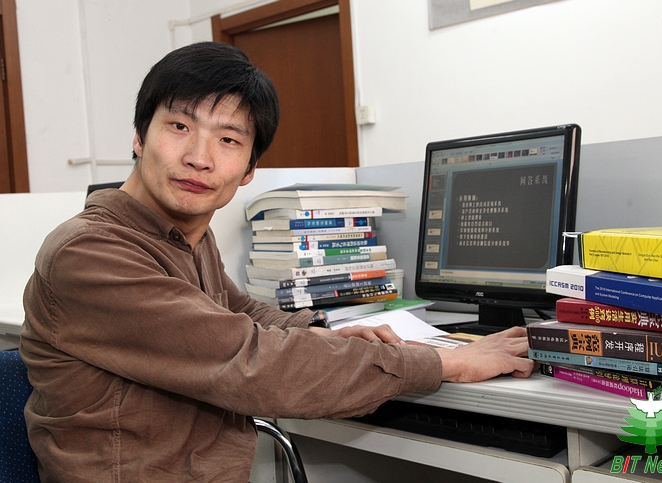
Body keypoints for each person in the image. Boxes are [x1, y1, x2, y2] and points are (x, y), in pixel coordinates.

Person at [20, 42, 534, 483]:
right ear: (138, 137)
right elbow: (251, 362)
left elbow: (239, 311)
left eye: (228, 139)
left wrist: (322, 332)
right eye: (179, 126)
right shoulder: (90, 253)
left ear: (249, 169)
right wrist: (444, 362)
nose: (200, 156)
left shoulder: (184, 236)